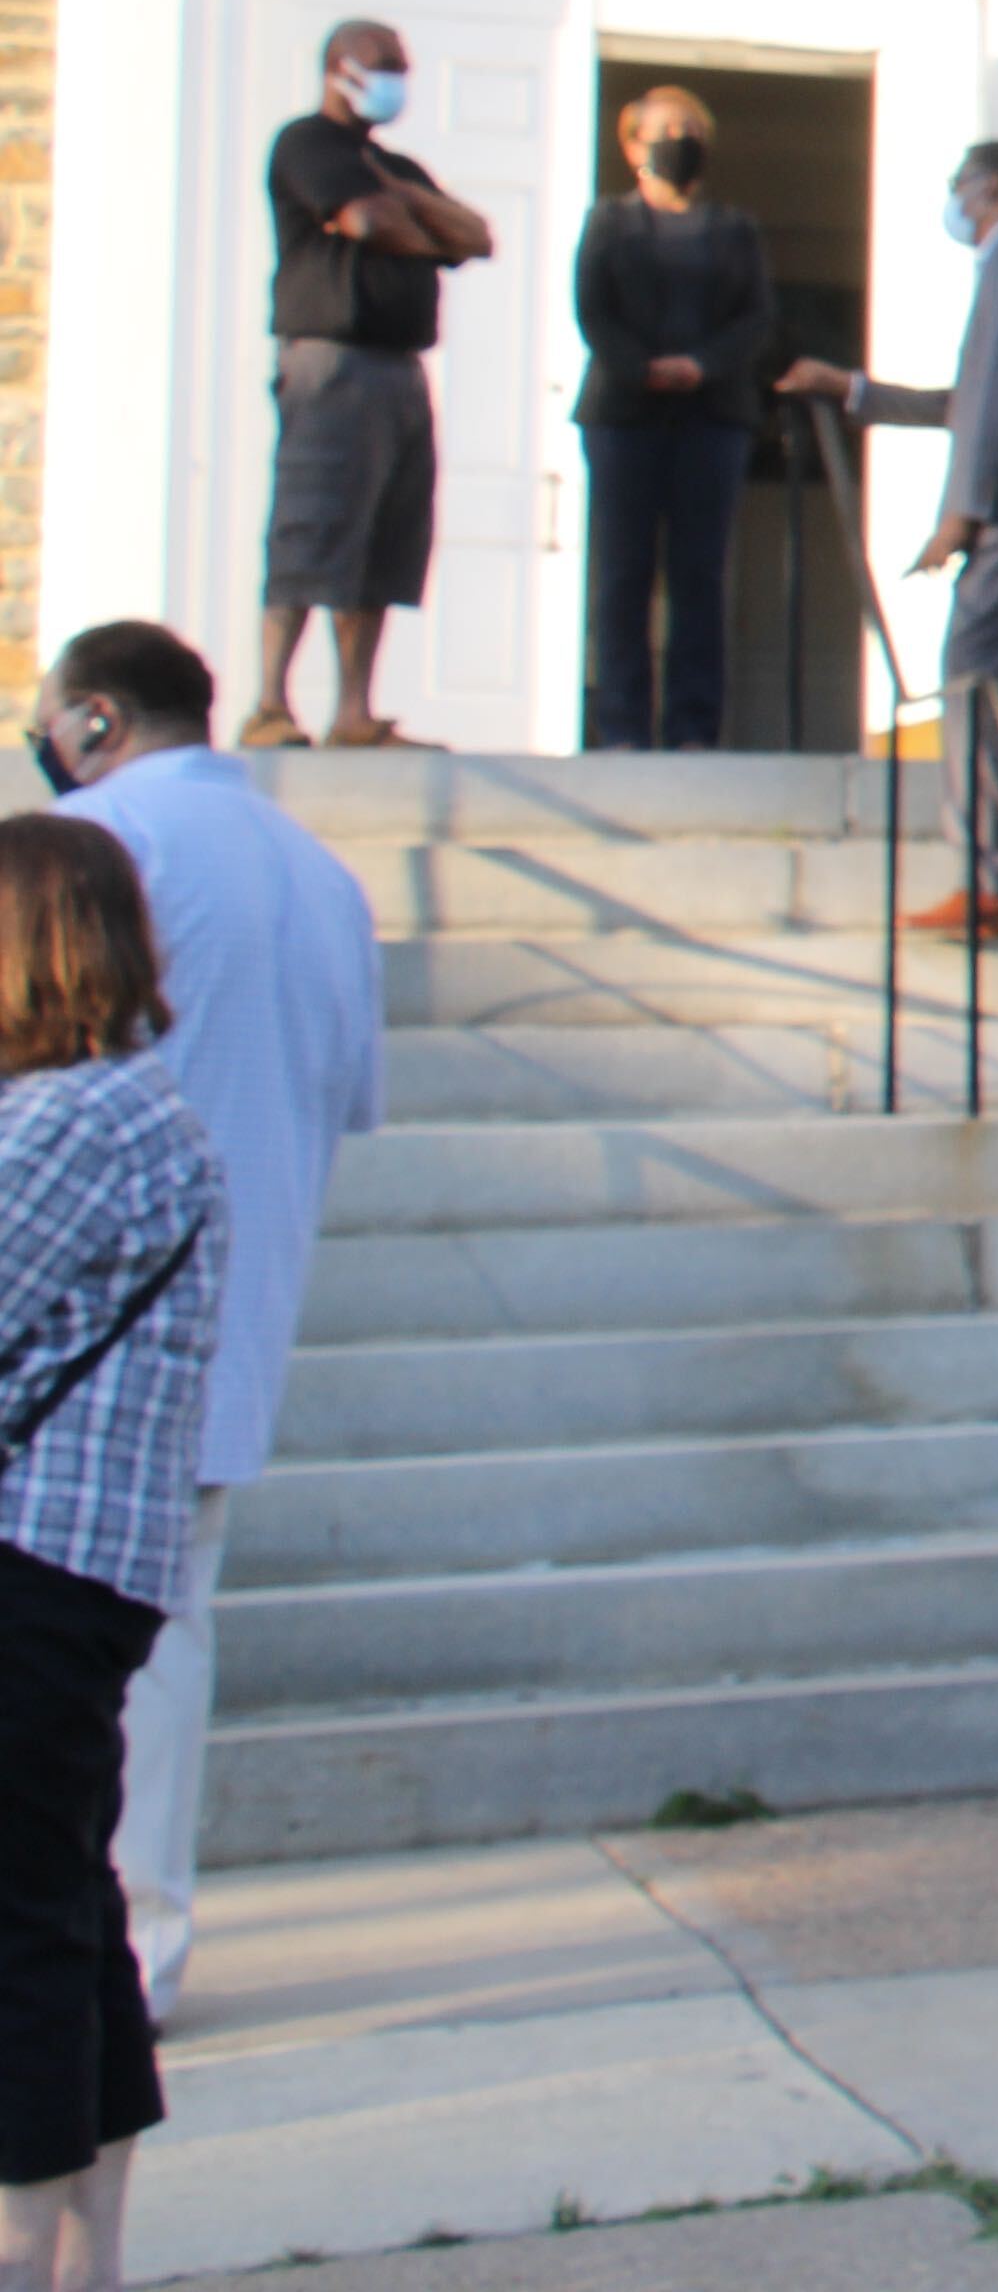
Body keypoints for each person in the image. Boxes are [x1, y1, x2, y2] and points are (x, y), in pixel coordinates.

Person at [36, 621, 378, 2030]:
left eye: (52, 720)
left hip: (80, 1319)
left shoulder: (90, 852)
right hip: (236, 1310)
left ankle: (87, 1966)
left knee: (80, 1666)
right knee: (166, 1644)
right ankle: (136, 1955)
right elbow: (348, 1100)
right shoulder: (325, 875)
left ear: (97, 717)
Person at [0, 817, 226, 2292]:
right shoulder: (138, 1108)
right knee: (67, 1909)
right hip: (90, 1568)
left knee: (20, 1923)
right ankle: (87, 2257)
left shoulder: (66, 1124)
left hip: (30, 1569)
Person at [777, 140, 998, 943]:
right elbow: (975, 400)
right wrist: (853, 391)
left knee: (972, 676)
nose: (952, 199)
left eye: (958, 185)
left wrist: (960, 515)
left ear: (991, 187)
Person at [248, 21, 493, 752]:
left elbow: (477, 237)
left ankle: (355, 711)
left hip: (398, 366)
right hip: (331, 361)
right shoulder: (306, 146)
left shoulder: (397, 165)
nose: (396, 78)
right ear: (340, 69)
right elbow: (366, 220)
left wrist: (410, 212)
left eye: (403, 66)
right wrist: (420, 226)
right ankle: (269, 705)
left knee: (385, 532)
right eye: (383, 65)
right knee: (310, 522)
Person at [570, 87, 777, 753]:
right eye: (662, 129)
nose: (676, 138)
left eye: (688, 127)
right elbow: (593, 310)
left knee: (699, 575)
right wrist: (643, 366)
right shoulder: (609, 222)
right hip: (623, 416)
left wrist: (702, 365)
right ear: (632, 146)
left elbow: (756, 318)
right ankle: (623, 728)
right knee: (623, 572)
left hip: (712, 418)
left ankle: (693, 728)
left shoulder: (734, 228)